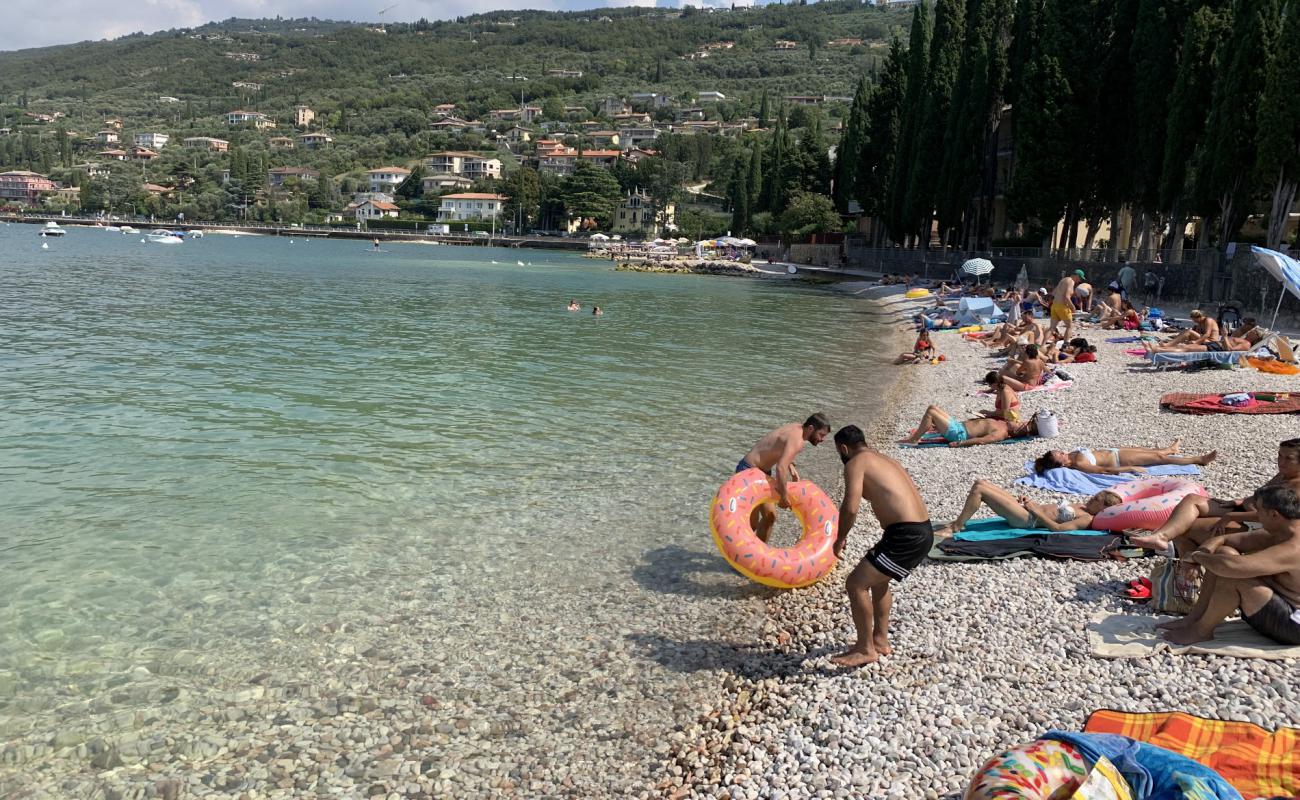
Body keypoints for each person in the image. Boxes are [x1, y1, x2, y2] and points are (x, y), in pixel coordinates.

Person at [829, 425, 934, 667]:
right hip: (920, 529)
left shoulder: (856, 463)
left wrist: (840, 538)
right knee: (878, 580)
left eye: (839, 452)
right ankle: (880, 640)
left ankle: (865, 649)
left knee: (855, 584)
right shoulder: (883, 459)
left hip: (906, 536)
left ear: (843, 448)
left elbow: (851, 506)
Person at [1158, 484, 1300, 646]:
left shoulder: (1293, 547)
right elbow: (1223, 539)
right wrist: (1201, 555)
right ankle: (1194, 618)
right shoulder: (1282, 532)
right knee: (1224, 553)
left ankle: (1201, 631)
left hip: (1293, 625)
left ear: (1274, 515)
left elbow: (1233, 568)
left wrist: (1197, 556)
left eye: (1259, 511)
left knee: (1233, 576)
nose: (1257, 517)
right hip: (1279, 603)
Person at [1126, 439, 1300, 551]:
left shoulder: (1297, 487)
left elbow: (1276, 517)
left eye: (1287, 458)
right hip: (1248, 510)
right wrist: (1238, 501)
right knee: (1192, 500)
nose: (1280, 461)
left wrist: (1232, 515)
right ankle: (1161, 537)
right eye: (1279, 456)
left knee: (1187, 528)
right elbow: (1262, 497)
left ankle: (1188, 576)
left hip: (1261, 525)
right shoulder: (1283, 474)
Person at [737, 414, 832, 542]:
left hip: (762, 473)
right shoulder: (797, 441)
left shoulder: (796, 427)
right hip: (747, 472)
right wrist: (783, 496)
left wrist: (790, 465)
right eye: (821, 435)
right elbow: (781, 468)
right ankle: (739, 556)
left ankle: (757, 555)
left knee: (769, 517)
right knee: (752, 524)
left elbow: (779, 446)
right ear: (810, 428)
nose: (822, 439)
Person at [933, 480, 1122, 538]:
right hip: (1029, 510)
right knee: (980, 483)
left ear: (1102, 508)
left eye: (1096, 499)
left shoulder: (1087, 519)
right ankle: (958, 523)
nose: (1091, 497)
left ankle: (956, 527)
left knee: (980, 491)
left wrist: (1036, 512)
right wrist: (1031, 503)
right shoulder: (1082, 506)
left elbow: (1057, 529)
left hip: (1028, 521)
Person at [1033, 441, 1216, 475]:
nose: (1063, 452)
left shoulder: (1073, 456)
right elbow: (1104, 470)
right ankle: (1199, 459)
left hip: (1116, 451)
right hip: (1120, 460)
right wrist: (1129, 469)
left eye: (1059, 451)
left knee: (1151, 451)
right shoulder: (1080, 463)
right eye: (1060, 455)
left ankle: (1170, 449)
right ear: (1061, 464)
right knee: (1159, 458)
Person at [901, 405, 1038, 447]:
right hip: (958, 425)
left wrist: (959, 443)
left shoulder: (1001, 433)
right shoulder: (1003, 423)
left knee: (931, 413)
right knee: (933, 407)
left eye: (1017, 423)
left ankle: (914, 439)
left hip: (958, 433)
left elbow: (982, 440)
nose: (1017, 420)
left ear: (1014, 430)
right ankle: (917, 435)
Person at [1143, 327, 1262, 355]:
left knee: (1187, 349)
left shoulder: (1247, 344)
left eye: (1254, 332)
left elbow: (1229, 350)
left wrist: (1225, 336)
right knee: (1186, 346)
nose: (1251, 331)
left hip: (1217, 348)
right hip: (1215, 344)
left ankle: (1157, 350)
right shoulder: (1242, 338)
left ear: (1256, 338)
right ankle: (1158, 348)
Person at [1048, 270, 1082, 342]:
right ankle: (1065, 345)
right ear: (1077, 276)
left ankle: (1041, 344)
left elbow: (1053, 293)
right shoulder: (1071, 281)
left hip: (1054, 306)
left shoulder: (1063, 280)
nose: (1079, 280)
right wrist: (1073, 307)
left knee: (1052, 328)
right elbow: (1066, 297)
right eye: (1080, 278)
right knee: (1069, 326)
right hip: (1062, 306)